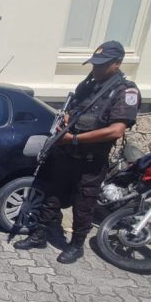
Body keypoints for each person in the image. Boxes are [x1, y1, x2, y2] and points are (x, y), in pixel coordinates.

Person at [14, 40, 141, 264]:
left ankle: (76, 246)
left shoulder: (124, 91)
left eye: (102, 65)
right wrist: (66, 118)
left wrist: (74, 139)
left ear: (117, 63)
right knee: (52, 197)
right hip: (66, 156)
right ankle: (39, 235)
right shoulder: (89, 86)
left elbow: (116, 130)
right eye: (95, 64)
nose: (96, 69)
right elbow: (73, 110)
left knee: (83, 206)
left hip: (90, 162)